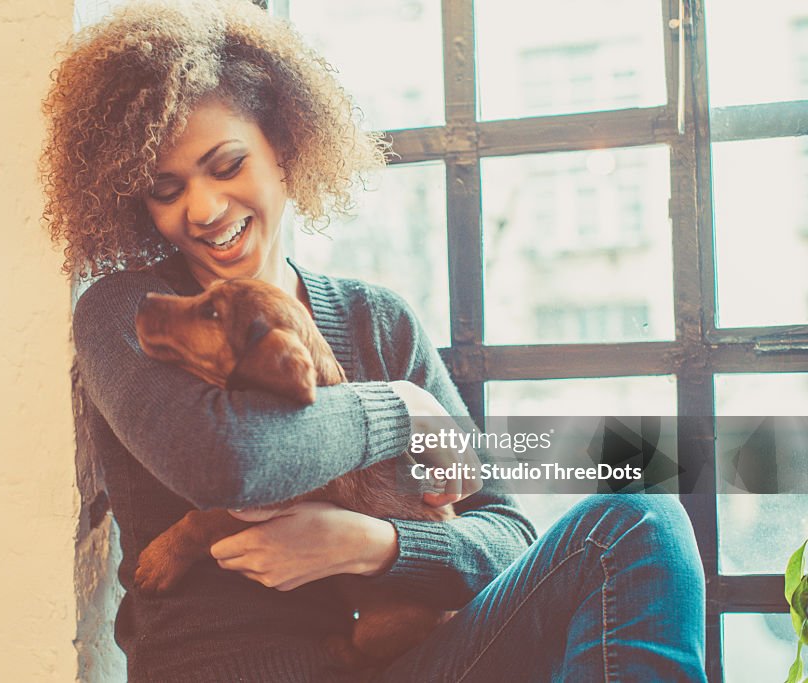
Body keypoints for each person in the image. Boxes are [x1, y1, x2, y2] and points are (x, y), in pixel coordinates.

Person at [40, 1, 708, 681]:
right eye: (167, 188)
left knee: (639, 521)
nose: (205, 208)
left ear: (283, 146)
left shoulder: (378, 322)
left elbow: (503, 536)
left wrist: (373, 545)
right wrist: (399, 405)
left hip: (411, 663)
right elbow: (225, 461)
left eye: (227, 164)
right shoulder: (131, 314)